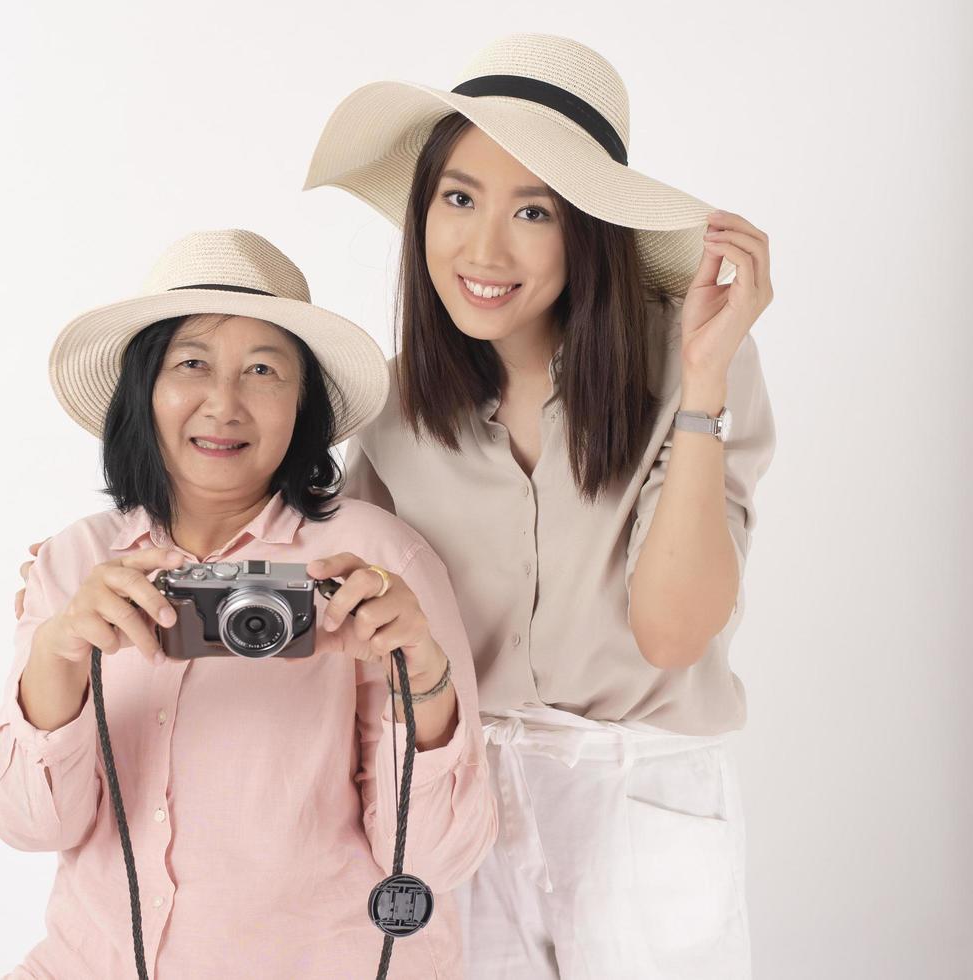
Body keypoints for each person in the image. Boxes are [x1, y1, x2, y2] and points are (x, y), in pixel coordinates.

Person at [302, 33, 776, 979]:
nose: (484, 248)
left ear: (588, 227)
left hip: (638, 793)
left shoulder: (689, 366)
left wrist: (703, 386)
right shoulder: (398, 407)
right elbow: (346, 626)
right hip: (457, 795)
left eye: (534, 211)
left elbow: (676, 632)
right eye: (459, 199)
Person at [0, 229, 496, 978]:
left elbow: (435, 859)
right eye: (191, 364)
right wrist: (59, 653)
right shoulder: (78, 562)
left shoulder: (376, 560)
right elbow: (28, 824)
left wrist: (425, 676)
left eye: (263, 370)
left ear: (302, 403)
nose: (224, 404)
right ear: (143, 389)